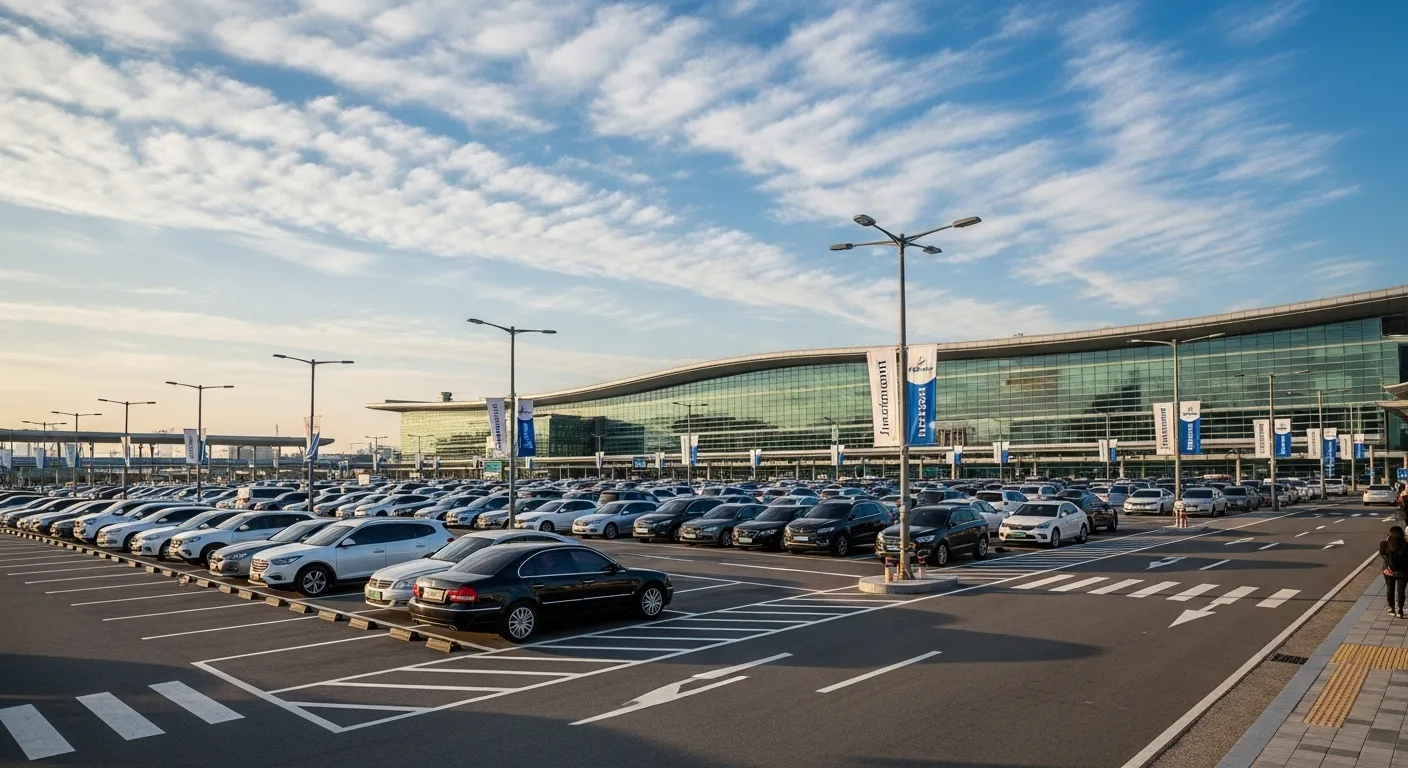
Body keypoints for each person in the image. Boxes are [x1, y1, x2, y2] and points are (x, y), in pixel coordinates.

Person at [1381, 526, 1408, 618]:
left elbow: (1383, 554)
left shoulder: (1384, 544)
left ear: (1390, 534)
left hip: (1388, 571)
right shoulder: (1406, 545)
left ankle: (1391, 608)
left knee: (1390, 588)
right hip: (1403, 572)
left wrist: (1387, 540)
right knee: (1401, 591)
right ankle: (1400, 610)